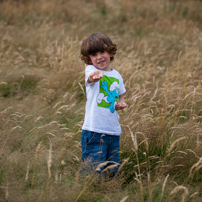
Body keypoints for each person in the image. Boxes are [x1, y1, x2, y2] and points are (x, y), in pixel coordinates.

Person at [80, 32, 127, 179]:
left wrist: (121, 104)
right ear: (89, 59)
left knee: (113, 166)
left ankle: (109, 189)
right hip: (94, 129)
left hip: (113, 130)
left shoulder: (117, 75)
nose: (99, 57)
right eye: (94, 54)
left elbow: (120, 95)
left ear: (111, 52)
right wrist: (95, 77)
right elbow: (90, 78)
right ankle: (90, 190)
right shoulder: (91, 70)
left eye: (102, 52)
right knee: (93, 166)